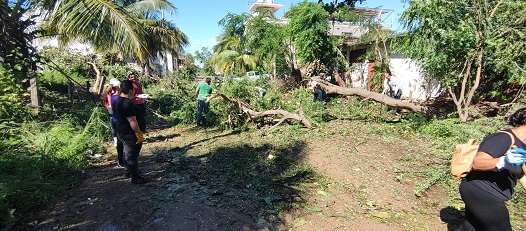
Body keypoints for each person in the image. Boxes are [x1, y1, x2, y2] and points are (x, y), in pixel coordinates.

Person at [459, 107, 526, 230]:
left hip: (486, 194)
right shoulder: (503, 138)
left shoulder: (522, 146)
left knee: (471, 228)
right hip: (481, 192)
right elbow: (478, 163)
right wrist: (504, 161)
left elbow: (521, 174)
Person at [112, 80, 149, 184]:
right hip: (128, 132)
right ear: (130, 90)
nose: (134, 91)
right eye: (133, 89)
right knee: (131, 154)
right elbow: (132, 120)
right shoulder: (126, 103)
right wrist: (138, 133)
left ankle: (129, 171)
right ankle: (135, 177)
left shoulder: (118, 100)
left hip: (121, 130)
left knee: (126, 152)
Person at [102, 78, 121, 147]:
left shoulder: (107, 92)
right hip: (115, 109)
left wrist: (108, 106)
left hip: (110, 109)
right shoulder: (114, 93)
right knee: (118, 124)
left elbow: (105, 101)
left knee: (113, 126)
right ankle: (118, 140)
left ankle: (115, 140)